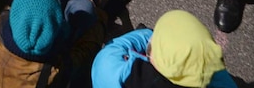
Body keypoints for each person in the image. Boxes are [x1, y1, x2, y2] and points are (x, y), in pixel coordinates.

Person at [0, 0, 134, 88]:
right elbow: (87, 49)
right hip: (58, 65)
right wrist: (97, 13)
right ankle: (103, 7)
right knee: (84, 8)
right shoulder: (51, 73)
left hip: (5, 74)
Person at [91, 10, 237, 88]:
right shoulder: (212, 75)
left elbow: (111, 52)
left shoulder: (110, 69)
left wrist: (148, 34)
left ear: (153, 59)